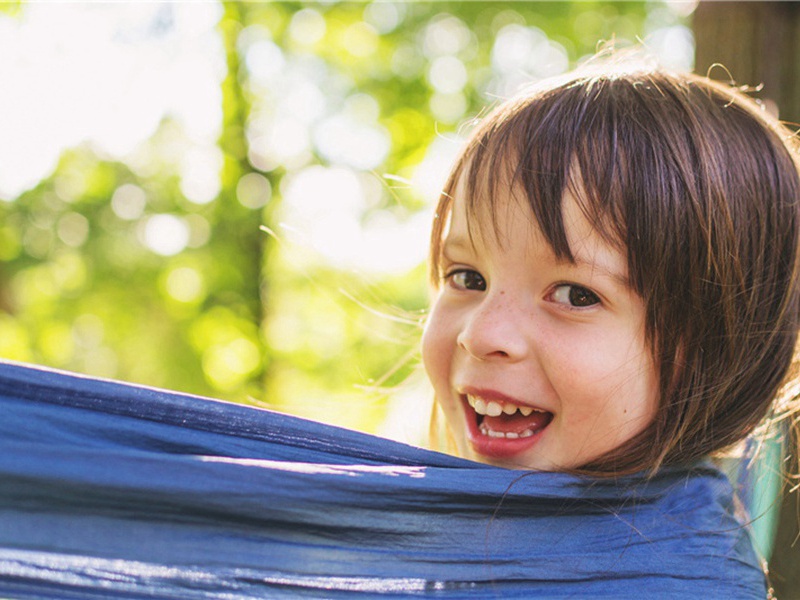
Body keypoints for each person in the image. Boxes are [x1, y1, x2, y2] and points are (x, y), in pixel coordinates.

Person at [422, 57, 800, 478]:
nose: (479, 335)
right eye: (468, 278)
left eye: (575, 295)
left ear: (719, 357)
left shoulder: (673, 545)